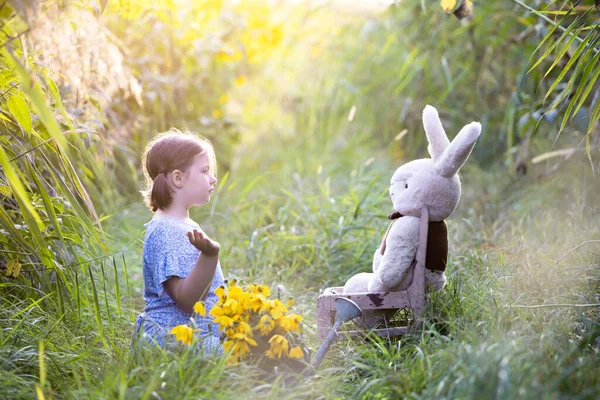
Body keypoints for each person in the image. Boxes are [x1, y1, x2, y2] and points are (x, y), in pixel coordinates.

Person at [132, 129, 224, 352]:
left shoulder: (180, 224)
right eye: (204, 171)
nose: (212, 178)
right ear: (178, 178)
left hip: (192, 336)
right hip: (177, 341)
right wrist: (210, 256)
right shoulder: (166, 230)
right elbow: (186, 300)